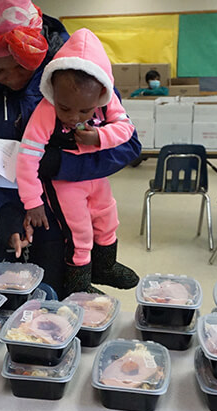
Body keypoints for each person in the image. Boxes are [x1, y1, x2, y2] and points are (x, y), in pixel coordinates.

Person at [0, 0, 141, 299]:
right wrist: (3, 209)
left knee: (55, 300)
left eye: (24, 67)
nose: (15, 78)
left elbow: (127, 144)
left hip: (57, 210)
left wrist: (61, 164)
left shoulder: (74, 63)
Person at [16, 28, 139, 295]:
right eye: (65, 108)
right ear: (53, 93)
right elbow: (27, 158)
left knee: (108, 218)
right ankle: (79, 286)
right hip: (65, 184)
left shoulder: (107, 100)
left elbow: (126, 129)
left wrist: (99, 137)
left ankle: (105, 266)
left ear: (101, 94)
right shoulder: (46, 109)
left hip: (96, 177)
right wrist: (33, 202)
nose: (73, 117)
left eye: (84, 110)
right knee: (79, 234)